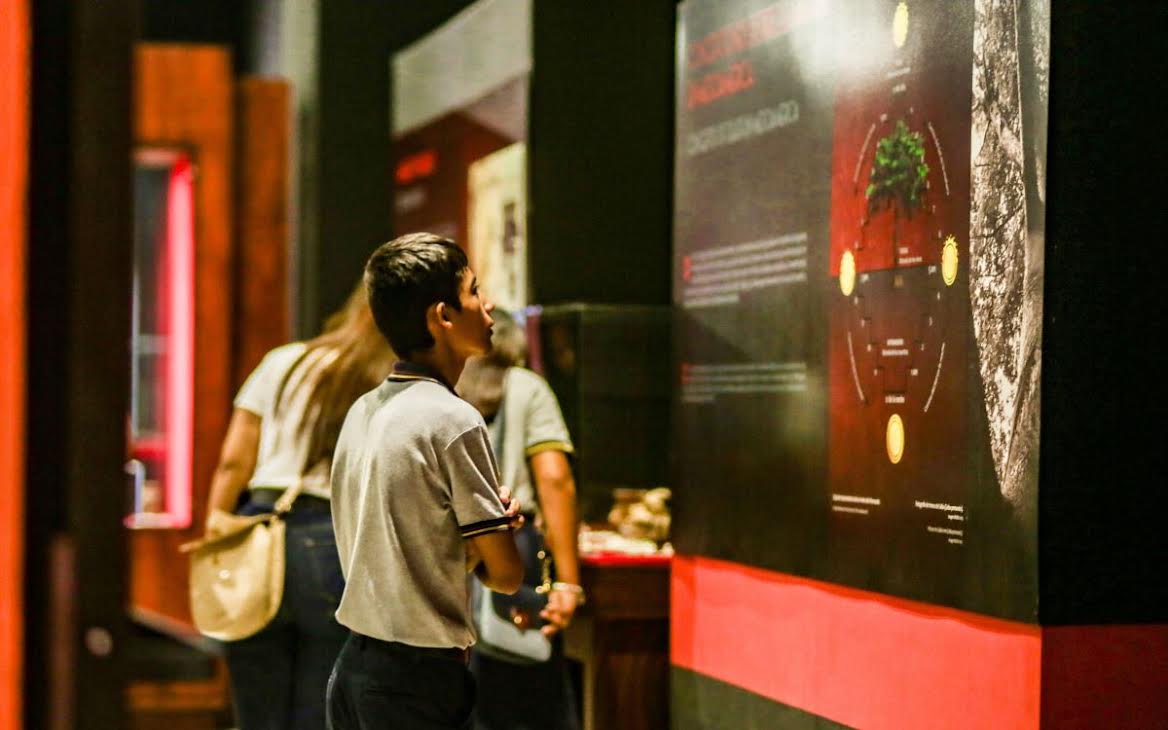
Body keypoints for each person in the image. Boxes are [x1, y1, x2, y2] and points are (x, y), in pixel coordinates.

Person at [327, 232, 524, 730]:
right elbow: (506, 576)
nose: (488, 305)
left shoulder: (364, 409)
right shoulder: (453, 419)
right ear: (443, 317)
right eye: (474, 291)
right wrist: (491, 533)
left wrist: (472, 537)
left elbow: (403, 548)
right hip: (416, 679)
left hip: (354, 666)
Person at [204, 282, 395, 730]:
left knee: (255, 702)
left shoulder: (283, 361)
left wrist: (217, 527)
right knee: (321, 702)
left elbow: (234, 461)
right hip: (332, 536)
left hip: (257, 532)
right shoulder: (383, 378)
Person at [458, 309, 584, 730]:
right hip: (512, 544)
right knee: (528, 697)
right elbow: (555, 479)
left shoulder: (442, 389)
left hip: (449, 548)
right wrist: (569, 583)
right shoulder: (527, 387)